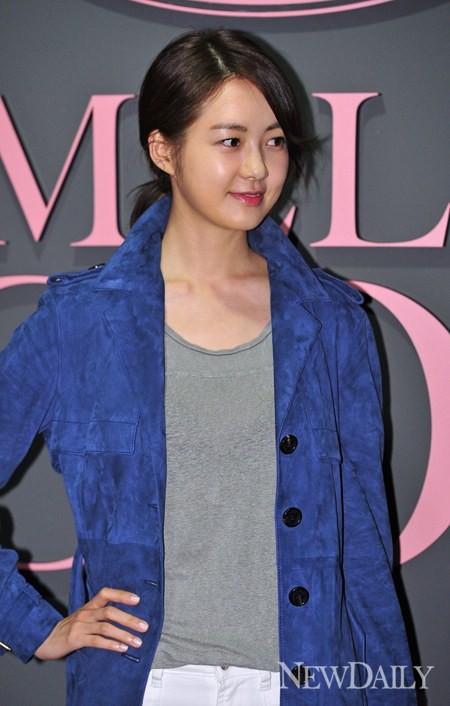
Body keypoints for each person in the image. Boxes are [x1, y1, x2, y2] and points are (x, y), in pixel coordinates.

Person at [0, 29, 416, 706]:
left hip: (308, 684)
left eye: (274, 141)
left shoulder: (332, 322)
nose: (257, 168)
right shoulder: (80, 322)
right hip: (148, 686)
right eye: (230, 141)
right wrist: (30, 627)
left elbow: (365, 550)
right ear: (163, 149)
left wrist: (390, 689)